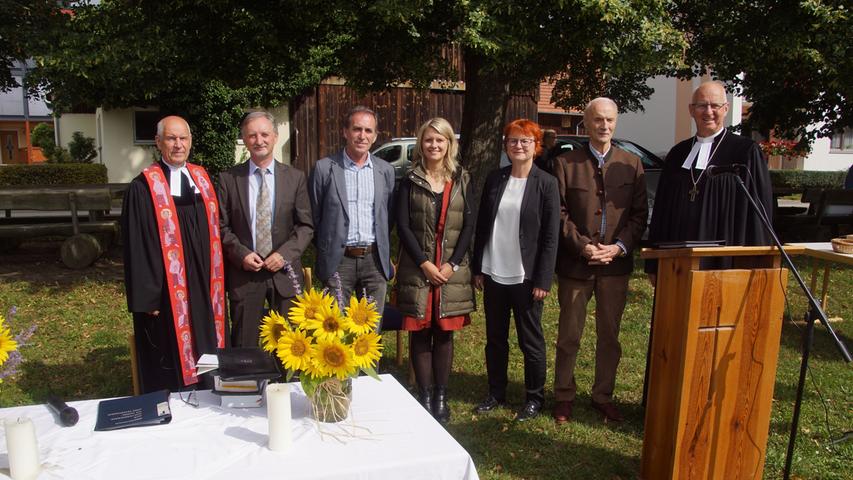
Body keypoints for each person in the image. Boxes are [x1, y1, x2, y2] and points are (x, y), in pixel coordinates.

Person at [551, 98, 648, 424]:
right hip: (577, 265)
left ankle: (602, 395)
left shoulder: (631, 164)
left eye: (609, 120)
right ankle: (564, 394)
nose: (603, 126)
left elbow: (639, 216)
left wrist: (619, 247)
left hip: (615, 267)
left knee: (610, 336)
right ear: (586, 122)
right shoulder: (566, 163)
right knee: (569, 335)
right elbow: (559, 213)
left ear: (616, 122)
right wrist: (582, 246)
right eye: (597, 120)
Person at [121, 115, 226, 393]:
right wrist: (148, 296)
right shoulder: (144, 187)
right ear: (158, 142)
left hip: (204, 284)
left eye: (183, 138)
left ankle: (208, 385)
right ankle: (176, 395)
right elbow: (138, 245)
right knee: (171, 347)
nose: (178, 145)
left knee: (205, 337)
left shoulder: (202, 179)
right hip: (168, 289)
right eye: (171, 138)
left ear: (190, 141)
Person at [472, 119, 560, 422]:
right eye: (512, 140)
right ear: (506, 146)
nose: (518, 146)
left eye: (525, 141)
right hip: (493, 270)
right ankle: (496, 392)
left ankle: (534, 398)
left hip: (527, 277)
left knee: (530, 341)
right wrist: (477, 268)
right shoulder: (495, 179)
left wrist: (543, 278)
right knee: (495, 338)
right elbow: (483, 225)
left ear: (536, 146)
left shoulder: (546, 183)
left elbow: (551, 236)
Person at [646, 81, 774, 277]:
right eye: (701, 105)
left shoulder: (745, 152)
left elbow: (758, 212)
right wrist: (654, 265)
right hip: (677, 259)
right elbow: (661, 212)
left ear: (726, 109)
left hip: (725, 258)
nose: (708, 112)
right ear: (691, 110)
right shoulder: (677, 154)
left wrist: (755, 262)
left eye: (715, 106)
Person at [395, 117, 475, 423]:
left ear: (448, 144)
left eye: (440, 140)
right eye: (429, 140)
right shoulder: (409, 179)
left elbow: (469, 225)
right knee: (420, 333)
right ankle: (424, 394)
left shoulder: (462, 179)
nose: (434, 145)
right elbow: (402, 226)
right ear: (421, 143)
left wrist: (451, 264)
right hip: (419, 271)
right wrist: (425, 264)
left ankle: (441, 395)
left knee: (444, 335)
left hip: (450, 271)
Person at [218, 111, 314, 347]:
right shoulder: (229, 179)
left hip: (284, 273)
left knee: (290, 346)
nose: (259, 140)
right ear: (244, 139)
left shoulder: (295, 177)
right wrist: (241, 255)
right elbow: (220, 225)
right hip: (245, 274)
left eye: (264, 134)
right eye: (252, 135)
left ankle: (282, 384)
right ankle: (248, 384)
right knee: (245, 343)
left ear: (275, 136)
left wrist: (284, 255)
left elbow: (305, 226)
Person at [309, 106, 395, 316]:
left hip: (374, 261)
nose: (362, 136)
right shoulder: (324, 168)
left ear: (375, 136)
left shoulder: (386, 171)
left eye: (368, 131)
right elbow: (313, 215)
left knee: (370, 334)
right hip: (339, 261)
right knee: (335, 331)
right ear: (345, 132)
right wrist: (327, 248)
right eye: (357, 129)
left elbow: (388, 215)